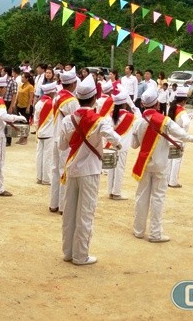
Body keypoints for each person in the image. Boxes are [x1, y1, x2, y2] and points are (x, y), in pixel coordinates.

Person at [58, 74, 122, 265]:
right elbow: (116, 139)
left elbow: (62, 146)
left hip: (72, 169)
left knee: (69, 212)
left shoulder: (68, 120)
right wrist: (114, 145)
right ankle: (81, 255)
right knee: (85, 213)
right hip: (90, 170)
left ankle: (68, 252)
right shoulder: (100, 120)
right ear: (95, 98)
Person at [131, 89, 193, 243]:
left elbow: (134, 145)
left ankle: (138, 230)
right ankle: (155, 233)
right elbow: (179, 133)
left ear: (142, 104)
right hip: (161, 164)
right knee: (158, 197)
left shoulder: (138, 122)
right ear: (157, 104)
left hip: (144, 164)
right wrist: (191, 138)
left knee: (141, 197)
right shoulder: (165, 120)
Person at [49, 70, 79, 213]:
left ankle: (54, 203)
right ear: (73, 83)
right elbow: (77, 120)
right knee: (63, 170)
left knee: (55, 170)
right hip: (65, 139)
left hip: (56, 136)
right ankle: (63, 205)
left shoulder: (57, 96)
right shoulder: (71, 101)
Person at [106, 91, 141, 200]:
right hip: (123, 146)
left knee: (111, 168)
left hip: (112, 144)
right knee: (119, 168)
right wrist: (133, 106)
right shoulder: (131, 116)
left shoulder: (111, 114)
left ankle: (110, 191)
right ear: (125, 104)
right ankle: (116, 192)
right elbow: (140, 119)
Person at [166, 87, 191, 188]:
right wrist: (184, 132)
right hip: (179, 137)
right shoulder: (182, 111)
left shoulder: (171, 107)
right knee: (176, 160)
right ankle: (173, 181)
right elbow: (186, 123)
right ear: (184, 101)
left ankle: (167, 179)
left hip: (170, 136)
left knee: (169, 159)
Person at [34, 81, 57, 185]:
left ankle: (39, 177)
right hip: (49, 132)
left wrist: (38, 129)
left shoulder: (39, 103)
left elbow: (36, 119)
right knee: (48, 156)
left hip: (40, 131)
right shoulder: (52, 103)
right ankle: (46, 179)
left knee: (40, 155)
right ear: (51, 92)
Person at [15, 72, 35, 145]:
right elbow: (17, 95)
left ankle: (25, 138)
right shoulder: (20, 85)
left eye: (23, 77)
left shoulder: (30, 87)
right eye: (21, 77)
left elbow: (31, 97)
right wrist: (15, 103)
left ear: (27, 79)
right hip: (19, 105)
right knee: (20, 122)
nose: (22, 79)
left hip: (26, 106)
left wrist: (28, 107)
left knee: (25, 123)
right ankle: (21, 137)